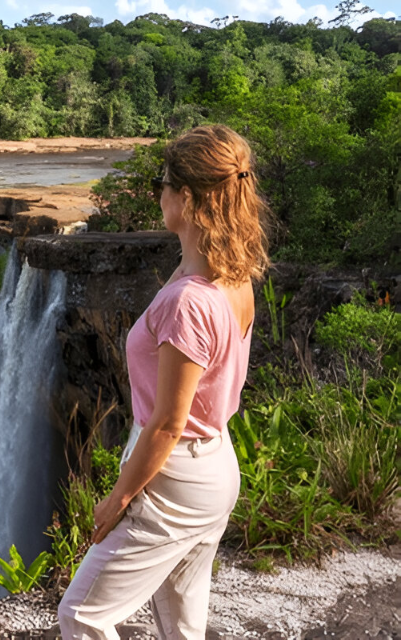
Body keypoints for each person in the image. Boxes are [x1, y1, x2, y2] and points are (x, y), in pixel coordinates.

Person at [58, 124, 270, 640]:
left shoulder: (188, 302)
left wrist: (118, 499)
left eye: (164, 184)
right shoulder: (231, 275)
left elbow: (168, 425)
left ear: (189, 198)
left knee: (82, 616)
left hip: (173, 475)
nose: (158, 194)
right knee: (182, 622)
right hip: (215, 465)